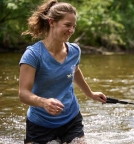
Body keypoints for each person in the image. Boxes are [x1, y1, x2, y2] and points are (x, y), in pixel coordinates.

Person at [19, 0, 107, 143]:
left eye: (73, 26)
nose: (71, 30)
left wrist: (90, 94)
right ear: (52, 22)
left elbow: (74, 71)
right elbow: (23, 94)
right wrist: (44, 102)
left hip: (71, 119)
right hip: (40, 124)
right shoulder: (33, 55)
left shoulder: (74, 51)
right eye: (67, 25)